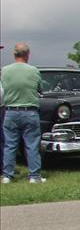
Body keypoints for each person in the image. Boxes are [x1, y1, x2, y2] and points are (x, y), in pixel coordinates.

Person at [1, 42, 45, 183]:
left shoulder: (5, 70)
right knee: (32, 145)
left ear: (14, 54)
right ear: (27, 54)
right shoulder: (33, 71)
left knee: (9, 145)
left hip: (10, 111)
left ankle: (7, 175)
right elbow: (40, 89)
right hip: (29, 111)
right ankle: (34, 176)